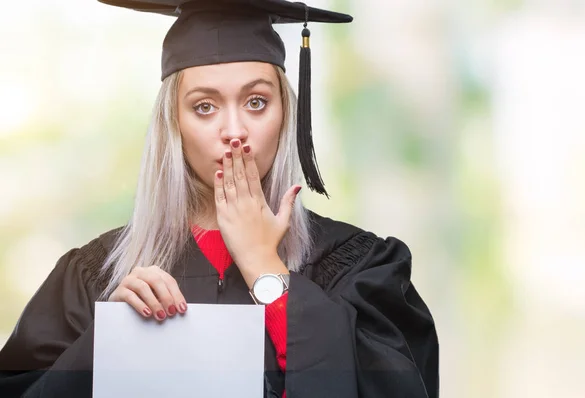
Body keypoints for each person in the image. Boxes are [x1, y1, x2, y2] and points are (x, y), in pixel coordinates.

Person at [0, 0, 439, 397]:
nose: (234, 131)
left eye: (256, 101)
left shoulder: (359, 266)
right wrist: (110, 342)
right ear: (173, 123)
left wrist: (267, 272)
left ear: (286, 114)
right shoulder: (98, 276)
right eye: (204, 106)